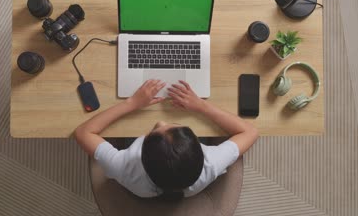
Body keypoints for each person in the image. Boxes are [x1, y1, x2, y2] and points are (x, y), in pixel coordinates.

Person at [74, 79, 258, 200]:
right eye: (177, 126)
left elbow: (83, 132)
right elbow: (250, 132)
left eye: (155, 129)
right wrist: (201, 105)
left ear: (141, 155)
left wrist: (131, 103)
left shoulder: (124, 167)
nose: (161, 121)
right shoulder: (211, 164)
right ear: (200, 150)